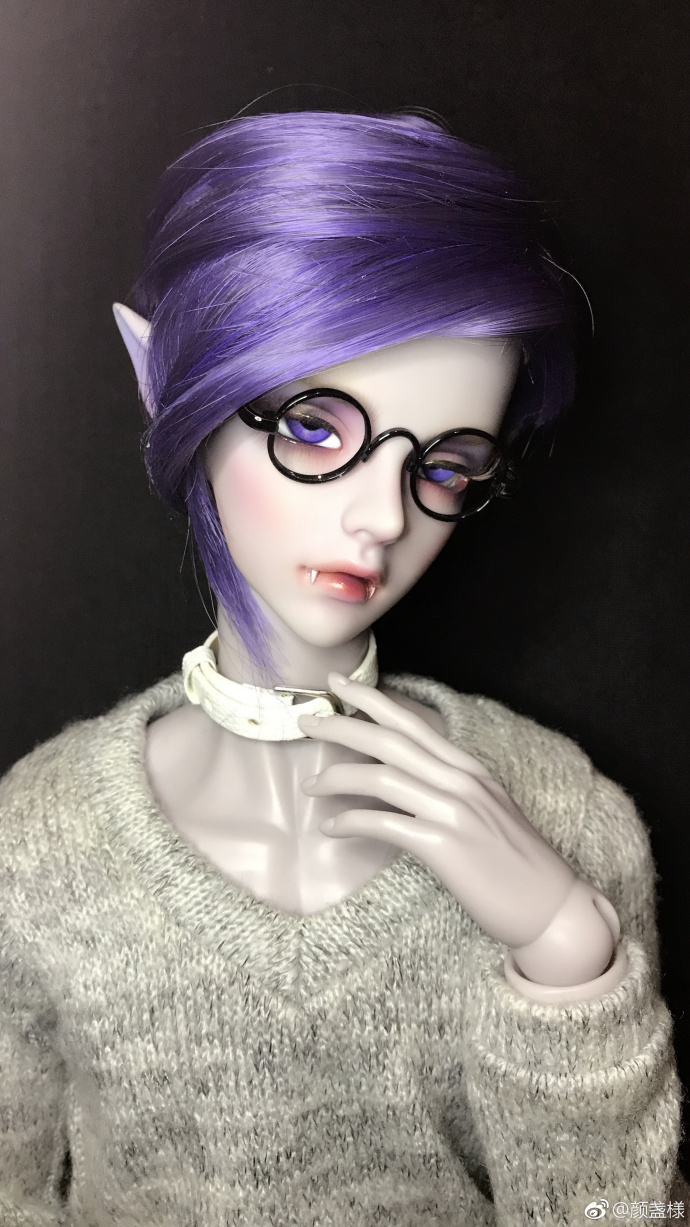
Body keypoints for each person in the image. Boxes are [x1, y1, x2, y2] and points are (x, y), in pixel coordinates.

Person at [0, 110, 684, 1225]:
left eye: (447, 467)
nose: (383, 519)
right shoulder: (34, 843)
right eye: (316, 428)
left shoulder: (564, 816)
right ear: (163, 380)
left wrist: (570, 955)